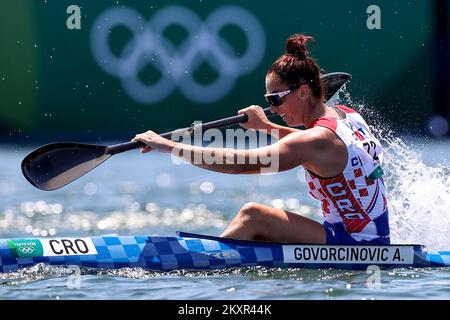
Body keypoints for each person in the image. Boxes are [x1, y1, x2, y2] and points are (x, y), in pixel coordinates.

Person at [132, 34, 390, 245]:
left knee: (252, 215)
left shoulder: (313, 141)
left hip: (356, 244)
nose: (274, 109)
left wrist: (169, 146)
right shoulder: (347, 116)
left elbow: (237, 165)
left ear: (302, 92)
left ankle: (208, 268)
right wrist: (266, 127)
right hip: (371, 235)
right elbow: (315, 145)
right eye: (269, 101)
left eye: (276, 99)